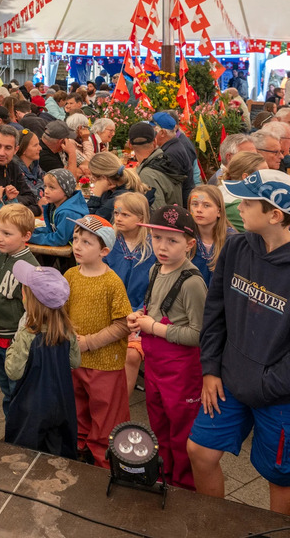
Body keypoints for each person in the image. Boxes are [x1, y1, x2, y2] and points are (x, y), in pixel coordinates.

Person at [187, 169, 290, 515]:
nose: (238, 207)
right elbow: (215, 312)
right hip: (229, 381)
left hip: (280, 397)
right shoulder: (237, 246)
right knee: (200, 451)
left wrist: (264, 385)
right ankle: (214, 526)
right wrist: (210, 369)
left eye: (248, 202)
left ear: (275, 215)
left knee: (280, 475)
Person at [126, 205, 207, 490]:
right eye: (157, 238)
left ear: (190, 244)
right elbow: (153, 307)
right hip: (155, 366)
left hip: (182, 372)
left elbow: (198, 334)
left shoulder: (193, 282)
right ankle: (164, 473)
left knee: (181, 431)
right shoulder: (154, 270)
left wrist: (153, 328)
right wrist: (139, 316)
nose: (162, 246)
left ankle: (184, 485)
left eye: (172, 240)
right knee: (159, 424)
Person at [62, 215, 131, 466]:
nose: (77, 246)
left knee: (106, 415)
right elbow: (63, 311)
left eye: (86, 242)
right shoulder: (70, 274)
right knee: (77, 406)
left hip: (104, 362)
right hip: (76, 358)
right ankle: (79, 448)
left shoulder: (112, 283)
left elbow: (122, 324)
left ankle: (104, 459)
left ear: (104, 250)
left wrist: (89, 342)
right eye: (75, 239)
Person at [4, 260, 80, 458]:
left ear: (30, 300)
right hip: (62, 404)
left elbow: (13, 371)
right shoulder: (67, 331)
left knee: (23, 455)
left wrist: (12, 348)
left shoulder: (27, 334)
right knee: (59, 454)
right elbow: (75, 362)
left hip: (31, 408)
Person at [0, 204, 40, 417]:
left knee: (18, 392)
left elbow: (32, 312)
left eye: (7, 233)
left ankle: (19, 431)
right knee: (6, 390)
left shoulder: (30, 269)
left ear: (26, 235)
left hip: (13, 343)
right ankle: (11, 426)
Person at [188, 185, 235, 285]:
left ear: (219, 211)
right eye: (195, 204)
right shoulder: (185, 238)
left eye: (206, 205)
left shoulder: (232, 241)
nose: (199, 210)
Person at [131, 122, 185, 209]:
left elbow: (156, 212)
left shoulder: (146, 174)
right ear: (155, 142)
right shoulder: (165, 159)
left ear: (130, 145)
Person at [30, 169, 88, 247]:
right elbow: (52, 229)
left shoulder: (68, 213)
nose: (46, 191)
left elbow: (59, 239)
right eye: (45, 186)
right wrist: (31, 231)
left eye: (52, 187)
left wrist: (31, 237)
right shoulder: (55, 206)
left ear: (66, 190)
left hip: (75, 255)